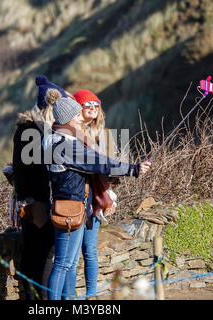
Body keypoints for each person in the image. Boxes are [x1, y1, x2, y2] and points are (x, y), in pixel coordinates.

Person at [42, 97, 151, 300]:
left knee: (67, 262)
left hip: (69, 206)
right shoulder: (66, 146)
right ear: (66, 119)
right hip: (70, 209)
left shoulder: (56, 138)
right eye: (76, 115)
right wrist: (133, 169)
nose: (79, 118)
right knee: (63, 264)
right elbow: (99, 163)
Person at [12, 75, 68, 300]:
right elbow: (22, 170)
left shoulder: (42, 130)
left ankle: (39, 299)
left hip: (43, 200)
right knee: (38, 254)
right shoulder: (31, 131)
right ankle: (37, 300)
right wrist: (30, 201)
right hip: (37, 201)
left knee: (42, 254)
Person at [62, 89, 116, 299]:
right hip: (74, 198)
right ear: (78, 109)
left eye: (96, 104)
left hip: (95, 198)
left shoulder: (102, 134)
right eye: (87, 104)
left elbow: (110, 169)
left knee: (90, 251)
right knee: (72, 257)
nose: (93, 107)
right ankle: (70, 297)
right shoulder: (70, 133)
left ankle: (91, 295)